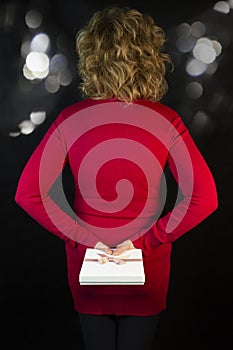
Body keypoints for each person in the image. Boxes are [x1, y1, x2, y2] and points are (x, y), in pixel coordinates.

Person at [15, 6, 218, 350]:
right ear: (150, 57)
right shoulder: (167, 121)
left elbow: (28, 194)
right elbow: (205, 199)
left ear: (91, 58)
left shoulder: (70, 120)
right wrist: (147, 241)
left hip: (88, 268)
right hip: (145, 271)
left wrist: (82, 238)